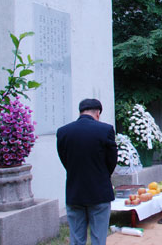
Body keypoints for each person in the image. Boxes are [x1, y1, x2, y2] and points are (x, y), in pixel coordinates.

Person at [56, 99, 117, 245]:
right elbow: (112, 160)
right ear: (97, 113)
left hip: (74, 191)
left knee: (76, 239)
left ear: (80, 112)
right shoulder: (105, 130)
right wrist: (102, 175)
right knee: (98, 238)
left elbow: (64, 159)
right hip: (99, 191)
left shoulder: (63, 132)